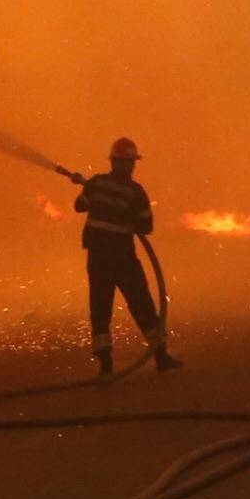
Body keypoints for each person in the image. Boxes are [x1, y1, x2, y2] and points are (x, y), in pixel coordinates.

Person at [74, 137, 180, 378]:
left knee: (100, 307)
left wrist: (88, 188)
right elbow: (146, 227)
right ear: (131, 164)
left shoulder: (97, 183)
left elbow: (79, 206)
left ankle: (105, 365)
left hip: (99, 258)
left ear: (113, 161)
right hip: (122, 258)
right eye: (130, 163)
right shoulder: (136, 193)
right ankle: (160, 356)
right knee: (142, 303)